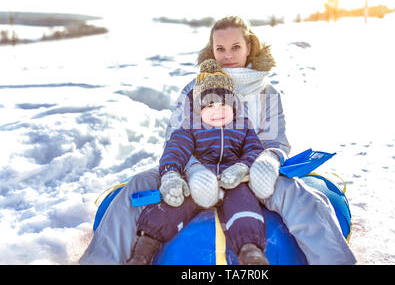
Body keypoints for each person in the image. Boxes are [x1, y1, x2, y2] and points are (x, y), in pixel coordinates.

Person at [80, 16, 356, 265]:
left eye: (235, 47)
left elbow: (277, 143)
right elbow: (176, 138)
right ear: (211, 50)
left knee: (299, 195)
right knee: (138, 186)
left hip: (249, 174)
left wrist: (268, 162)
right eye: (220, 49)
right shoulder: (193, 90)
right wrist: (190, 170)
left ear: (249, 46)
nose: (228, 56)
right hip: (195, 172)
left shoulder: (266, 93)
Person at [126, 59, 269, 265]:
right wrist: (171, 174)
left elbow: (255, 149)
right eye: (210, 104)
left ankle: (250, 251)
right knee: (173, 203)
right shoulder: (191, 127)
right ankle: (143, 252)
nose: (218, 110)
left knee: (244, 203)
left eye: (224, 104)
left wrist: (242, 166)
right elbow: (174, 150)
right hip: (199, 181)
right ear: (199, 108)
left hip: (232, 181)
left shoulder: (243, 126)